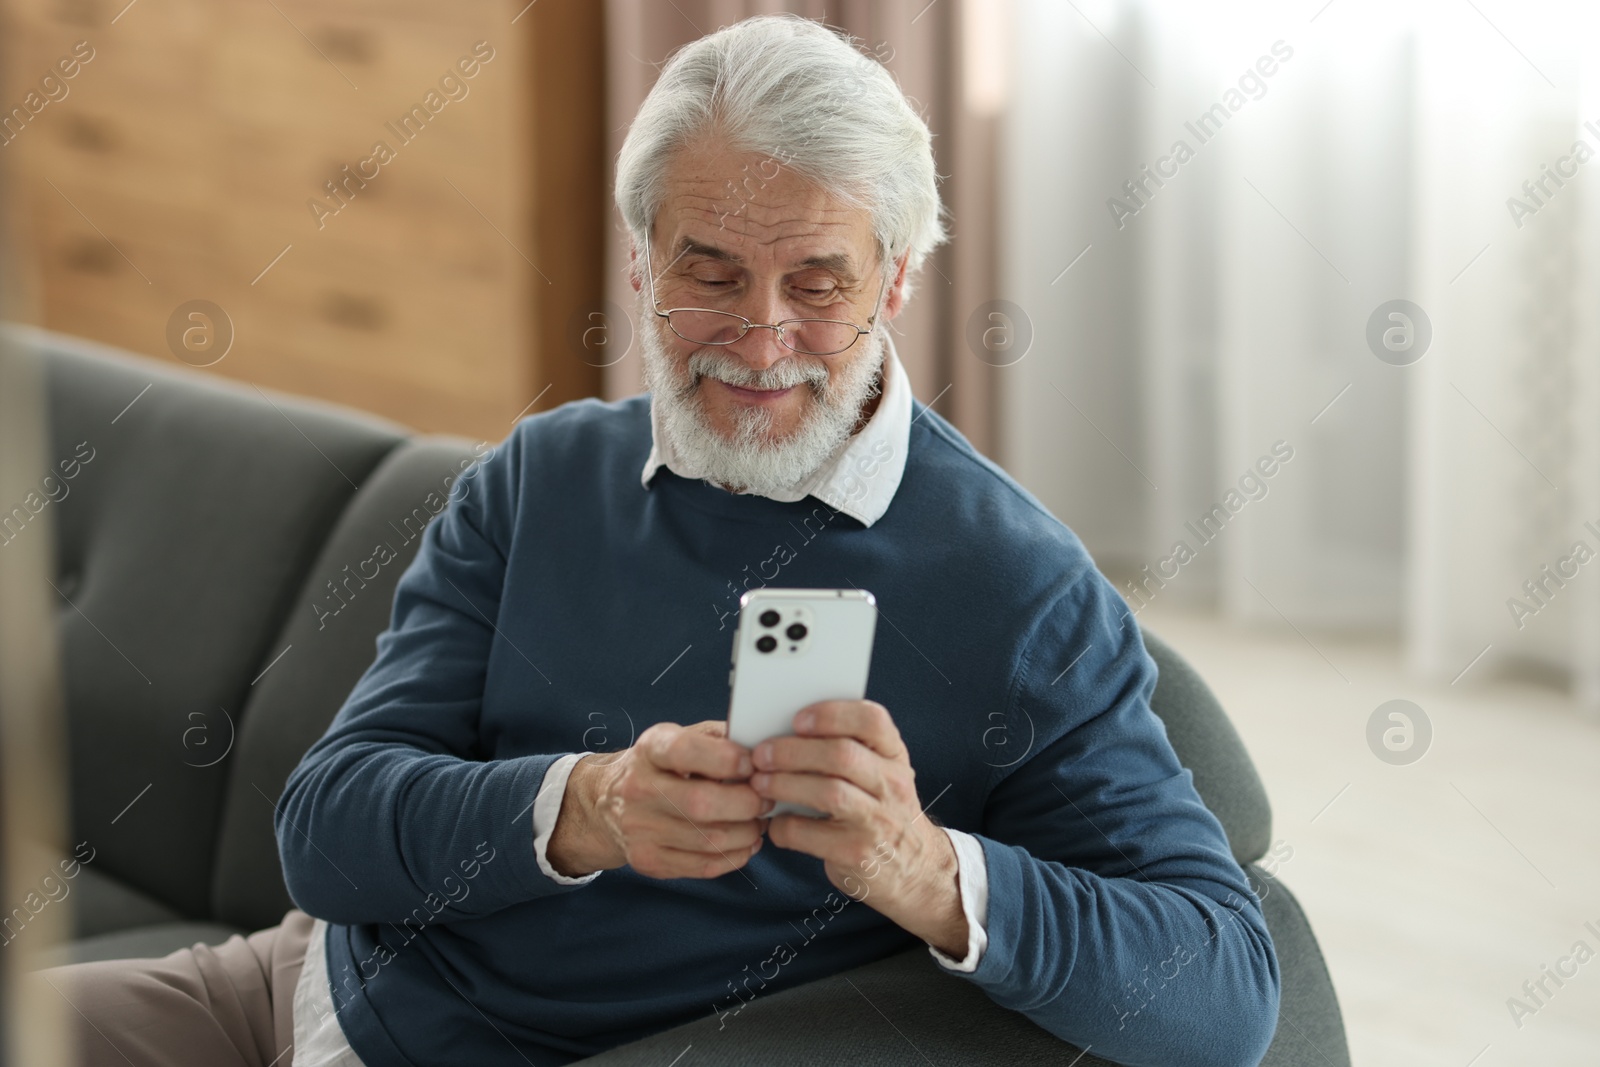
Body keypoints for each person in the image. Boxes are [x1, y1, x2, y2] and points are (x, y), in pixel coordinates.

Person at [36, 13, 1279, 1066]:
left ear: (897, 279)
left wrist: (924, 869)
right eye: (711, 270)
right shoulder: (544, 474)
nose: (758, 333)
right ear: (638, 266)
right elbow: (326, 829)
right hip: (289, 991)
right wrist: (582, 808)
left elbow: (1228, 993)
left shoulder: (1016, 587)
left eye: (818, 283)